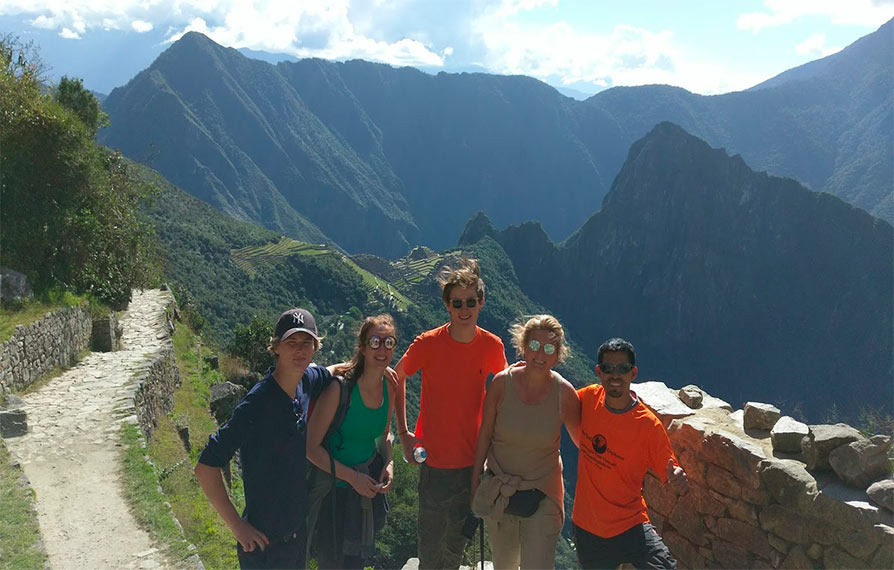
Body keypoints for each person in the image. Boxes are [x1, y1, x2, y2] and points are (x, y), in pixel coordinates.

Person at [195, 308, 332, 569]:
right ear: (276, 347)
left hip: (295, 538)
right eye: (291, 342)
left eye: (307, 343)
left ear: (315, 347)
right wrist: (237, 526)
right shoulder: (258, 403)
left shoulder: (305, 382)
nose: (299, 350)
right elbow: (206, 466)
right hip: (264, 547)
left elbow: (331, 371)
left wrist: (368, 369)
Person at [395, 258, 508, 569]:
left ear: (481, 302)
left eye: (471, 301)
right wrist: (404, 435)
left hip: (473, 463)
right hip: (432, 462)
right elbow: (397, 377)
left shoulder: (492, 347)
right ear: (447, 304)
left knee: (457, 544)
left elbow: (505, 396)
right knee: (430, 546)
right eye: (457, 302)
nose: (464, 309)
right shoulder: (427, 344)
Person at [471, 315, 581, 570]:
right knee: (504, 565)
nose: (540, 354)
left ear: (557, 355)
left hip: (543, 493)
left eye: (549, 348)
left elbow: (584, 445)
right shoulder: (501, 383)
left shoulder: (564, 394)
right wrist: (474, 484)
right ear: (523, 346)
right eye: (534, 345)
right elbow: (485, 436)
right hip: (500, 490)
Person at [572, 338, 688, 570]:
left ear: (633, 373)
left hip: (630, 525)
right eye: (608, 368)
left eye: (623, 369)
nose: (615, 375)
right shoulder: (587, 398)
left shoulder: (648, 426)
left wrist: (678, 479)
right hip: (587, 528)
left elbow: (671, 474)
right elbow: (553, 396)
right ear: (598, 371)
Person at [306, 315, 397, 569]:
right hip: (333, 493)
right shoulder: (340, 388)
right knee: (332, 562)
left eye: (389, 342)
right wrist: (352, 478)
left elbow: (384, 434)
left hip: (365, 490)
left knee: (355, 563)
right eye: (375, 342)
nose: (382, 349)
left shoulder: (390, 386)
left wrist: (389, 463)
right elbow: (310, 448)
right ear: (363, 347)